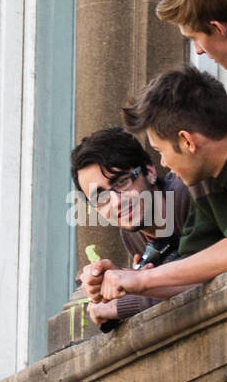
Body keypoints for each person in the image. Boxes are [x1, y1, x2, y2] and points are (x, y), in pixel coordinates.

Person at [92, 65, 227, 304]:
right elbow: (194, 271)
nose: (163, 162)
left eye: (159, 150)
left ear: (187, 141)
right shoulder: (202, 175)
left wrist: (143, 280)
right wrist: (127, 283)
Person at [71, 127, 217, 327]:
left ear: (149, 171)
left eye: (121, 182)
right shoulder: (133, 235)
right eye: (101, 198)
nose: (116, 202)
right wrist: (110, 285)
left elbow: (210, 273)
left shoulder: (189, 194)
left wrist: (121, 302)